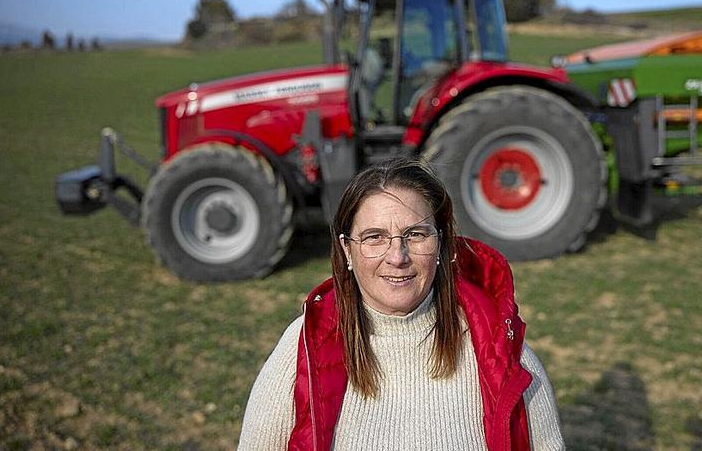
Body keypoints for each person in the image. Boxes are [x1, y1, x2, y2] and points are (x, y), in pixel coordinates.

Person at [238, 158, 564, 450]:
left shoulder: (502, 352)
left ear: (444, 244)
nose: (397, 257)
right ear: (347, 251)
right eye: (374, 237)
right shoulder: (302, 348)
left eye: (416, 235)